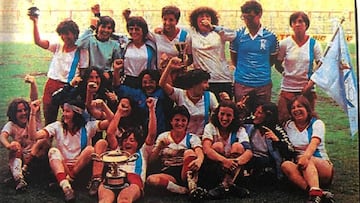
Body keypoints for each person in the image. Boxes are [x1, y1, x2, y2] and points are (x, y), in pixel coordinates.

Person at [28, 99, 113, 202]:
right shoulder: (57, 126)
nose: (64, 114)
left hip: (80, 168)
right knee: (53, 151)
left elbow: (111, 121)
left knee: (90, 149)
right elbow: (33, 136)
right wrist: (33, 112)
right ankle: (66, 187)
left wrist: (103, 106)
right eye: (64, 111)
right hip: (62, 167)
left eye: (68, 111)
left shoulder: (88, 126)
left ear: (77, 114)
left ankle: (68, 179)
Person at [92, 97, 157, 202]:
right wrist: (119, 111)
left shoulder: (142, 152)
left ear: (137, 143)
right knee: (105, 200)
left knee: (124, 200)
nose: (127, 142)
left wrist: (151, 109)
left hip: (133, 179)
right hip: (112, 178)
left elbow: (152, 134)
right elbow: (110, 133)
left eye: (132, 140)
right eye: (125, 140)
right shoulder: (117, 150)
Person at [29, 12, 89, 125]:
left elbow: (83, 73)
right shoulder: (57, 46)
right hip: (51, 84)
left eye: (67, 34)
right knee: (49, 118)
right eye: (62, 34)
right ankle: (47, 141)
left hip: (68, 86)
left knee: (71, 120)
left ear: (75, 34)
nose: (64, 37)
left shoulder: (81, 51)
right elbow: (38, 42)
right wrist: (35, 22)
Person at [0, 75, 49, 191]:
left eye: (25, 110)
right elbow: (2, 136)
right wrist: (9, 145)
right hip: (22, 159)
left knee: (44, 141)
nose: (24, 113)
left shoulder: (34, 118)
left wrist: (33, 83)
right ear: (13, 113)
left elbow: (34, 99)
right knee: (16, 146)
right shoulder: (12, 125)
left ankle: (21, 175)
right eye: (19, 111)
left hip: (37, 157)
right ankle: (19, 179)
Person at [281, 96, 334, 203]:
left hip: (321, 166)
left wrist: (304, 157)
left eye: (299, 106)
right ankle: (317, 193)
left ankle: (315, 193)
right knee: (285, 165)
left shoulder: (317, 123)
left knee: (306, 159)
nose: (296, 110)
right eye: (293, 108)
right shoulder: (288, 125)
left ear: (307, 109)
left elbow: (314, 143)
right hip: (300, 166)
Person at [146, 105, 206, 200]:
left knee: (189, 152)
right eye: (177, 120)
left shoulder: (192, 137)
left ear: (187, 122)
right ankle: (182, 190)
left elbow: (199, 152)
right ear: (171, 121)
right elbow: (151, 161)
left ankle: (191, 185)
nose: (180, 123)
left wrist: (199, 160)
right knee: (151, 180)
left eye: (183, 120)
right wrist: (159, 148)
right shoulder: (163, 136)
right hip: (168, 172)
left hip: (186, 171)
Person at [230, 0, 279, 113]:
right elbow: (234, 59)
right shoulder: (237, 35)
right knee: (241, 115)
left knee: (263, 116)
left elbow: (271, 60)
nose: (248, 21)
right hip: (242, 83)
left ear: (259, 14)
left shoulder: (271, 37)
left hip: (263, 84)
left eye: (251, 17)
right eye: (245, 17)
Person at [275, 11, 323, 124]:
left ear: (306, 24)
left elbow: (321, 66)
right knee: (284, 120)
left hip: (307, 90)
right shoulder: (284, 43)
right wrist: (286, 73)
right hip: (288, 89)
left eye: (300, 21)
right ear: (291, 25)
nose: (297, 24)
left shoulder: (313, 44)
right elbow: (277, 63)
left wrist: (310, 84)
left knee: (306, 121)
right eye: (294, 22)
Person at [201, 100, 252, 199]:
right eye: (222, 114)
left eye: (228, 115)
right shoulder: (210, 127)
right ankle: (229, 186)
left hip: (234, 170)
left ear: (234, 117)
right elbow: (207, 149)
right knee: (218, 146)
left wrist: (234, 162)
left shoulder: (239, 130)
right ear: (217, 114)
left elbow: (249, 152)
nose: (224, 118)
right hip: (215, 168)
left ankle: (225, 185)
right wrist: (224, 161)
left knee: (238, 146)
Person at [159, 57, 218, 135]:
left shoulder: (209, 96)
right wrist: (169, 67)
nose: (207, 86)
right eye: (204, 82)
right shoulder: (179, 94)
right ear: (194, 83)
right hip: (183, 138)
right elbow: (162, 84)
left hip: (203, 138)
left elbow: (218, 115)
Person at [188, 6, 235, 101]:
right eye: (201, 16)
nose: (204, 19)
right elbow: (190, 57)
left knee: (223, 109)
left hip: (221, 79)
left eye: (207, 16)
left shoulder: (218, 33)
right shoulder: (191, 34)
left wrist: (212, 27)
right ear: (196, 20)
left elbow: (233, 35)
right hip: (201, 81)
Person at [113, 63, 173, 134]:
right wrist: (116, 70)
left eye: (151, 82)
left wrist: (166, 67)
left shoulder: (161, 93)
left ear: (156, 82)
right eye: (145, 82)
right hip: (142, 133)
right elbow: (118, 88)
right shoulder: (138, 94)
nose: (148, 85)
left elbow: (169, 87)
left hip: (160, 132)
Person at [245, 102, 297, 182]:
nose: (255, 114)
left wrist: (277, 141)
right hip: (250, 156)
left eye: (259, 113)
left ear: (268, 116)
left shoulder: (277, 130)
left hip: (267, 160)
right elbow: (235, 122)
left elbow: (290, 151)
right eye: (256, 111)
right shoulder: (250, 122)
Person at [75, 10, 122, 85]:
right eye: (103, 27)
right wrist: (91, 28)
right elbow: (78, 44)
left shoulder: (114, 45)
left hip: (105, 77)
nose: (106, 30)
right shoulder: (90, 40)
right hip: (89, 77)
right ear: (98, 28)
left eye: (109, 28)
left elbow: (118, 64)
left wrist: (110, 74)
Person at [119, 16, 157, 89]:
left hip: (145, 82)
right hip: (127, 81)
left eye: (137, 29)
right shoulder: (126, 45)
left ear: (143, 31)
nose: (133, 32)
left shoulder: (150, 46)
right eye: (131, 29)